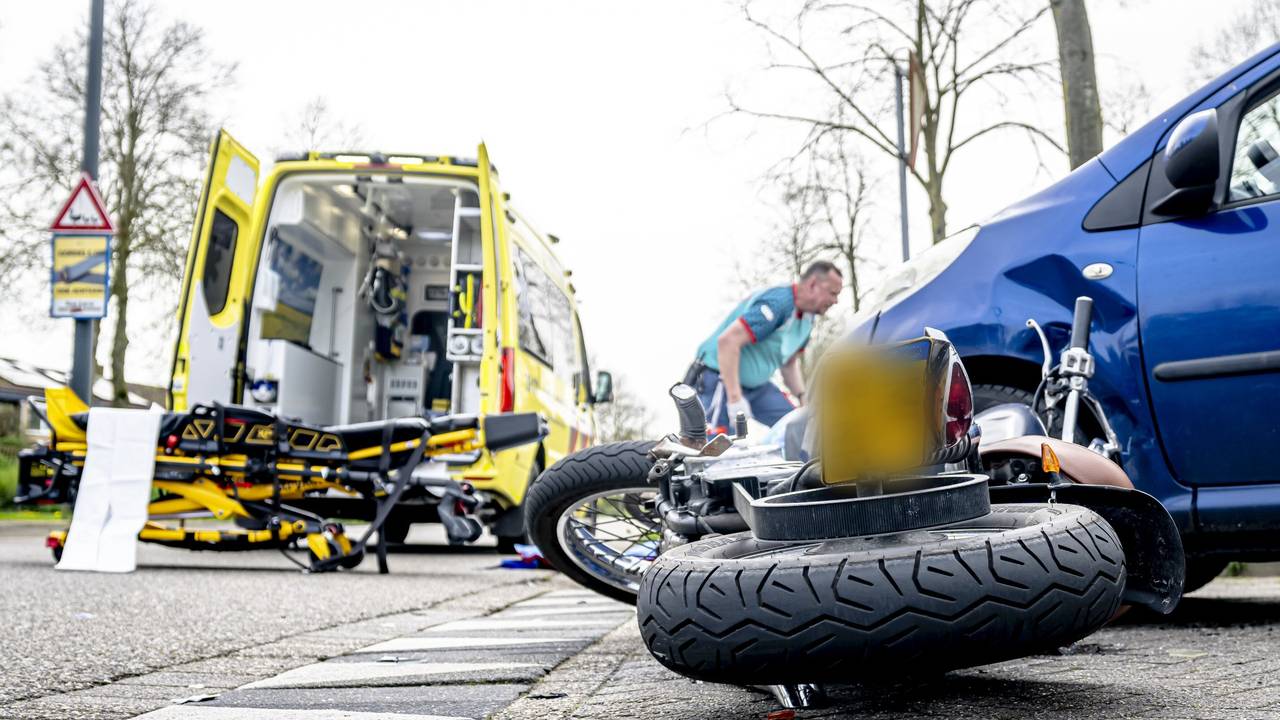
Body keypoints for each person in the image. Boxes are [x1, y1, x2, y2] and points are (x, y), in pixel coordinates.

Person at [687, 261, 843, 431]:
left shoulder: (808, 320)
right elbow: (728, 342)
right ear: (813, 284)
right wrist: (734, 398)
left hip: (757, 387)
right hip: (719, 379)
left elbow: (789, 363)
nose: (835, 301)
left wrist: (802, 397)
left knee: (799, 428)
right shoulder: (778, 304)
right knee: (719, 449)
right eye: (832, 293)